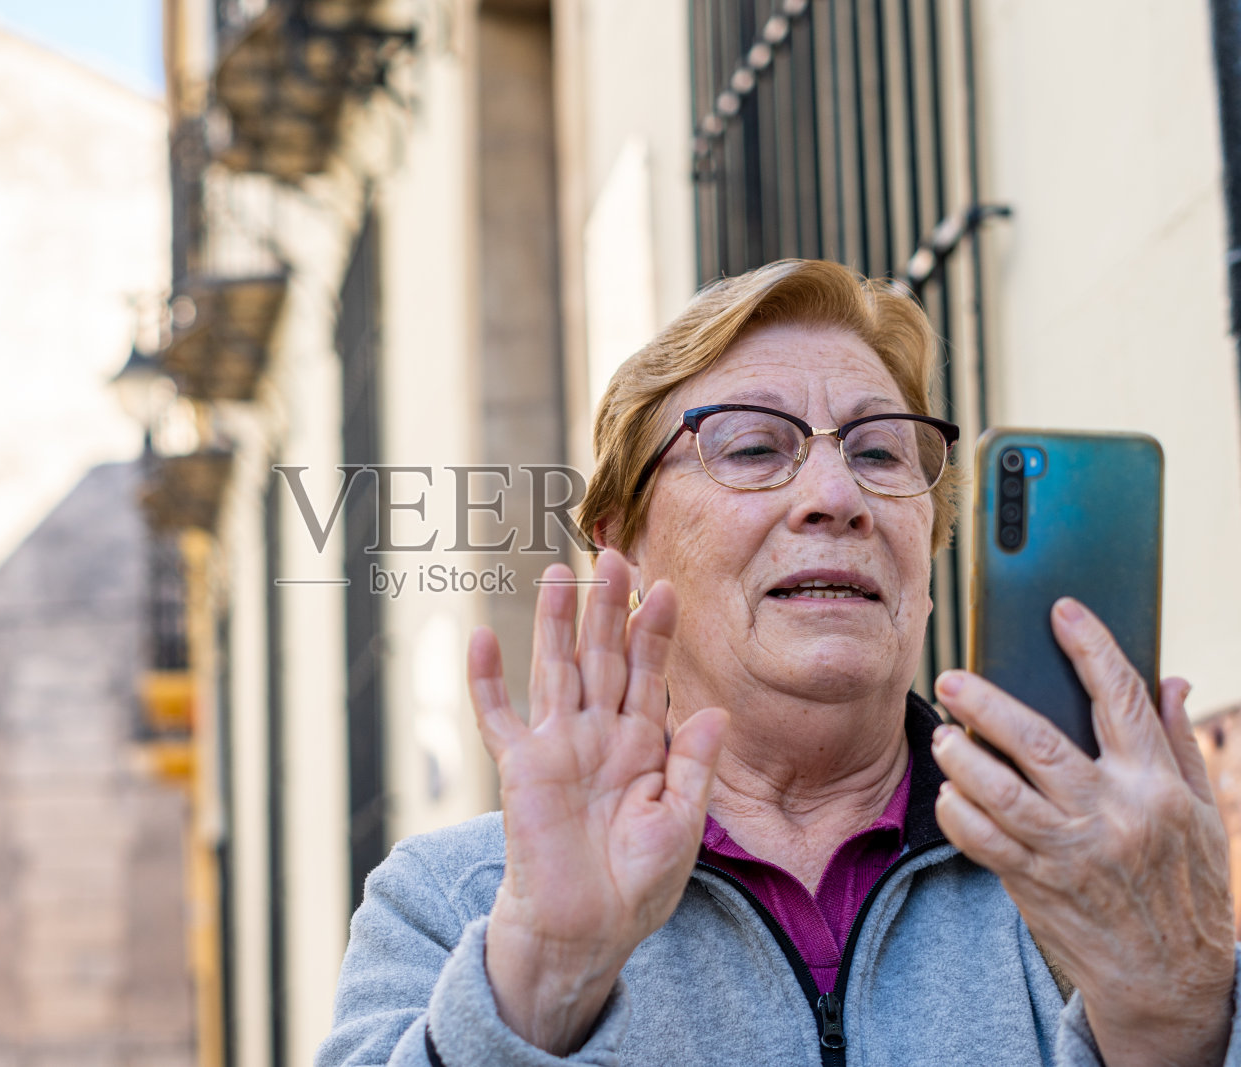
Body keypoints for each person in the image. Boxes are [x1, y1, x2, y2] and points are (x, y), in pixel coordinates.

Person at [315, 259, 1239, 1066]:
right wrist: (541, 977)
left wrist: (1185, 1009)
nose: (836, 496)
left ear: (928, 548)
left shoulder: (1099, 871)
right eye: (753, 447)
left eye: (881, 452)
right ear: (622, 547)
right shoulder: (454, 905)